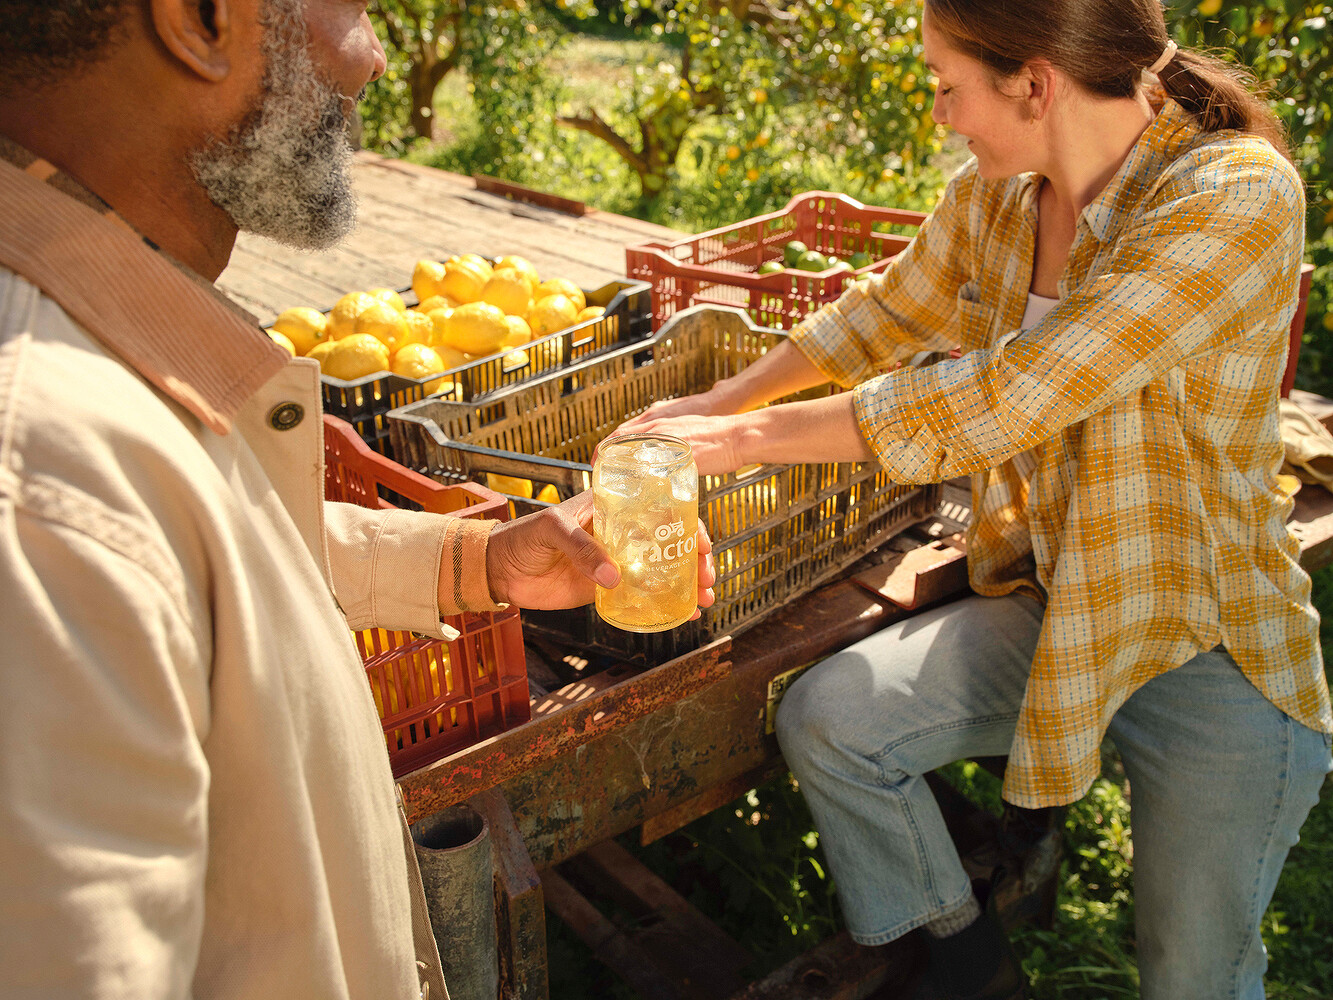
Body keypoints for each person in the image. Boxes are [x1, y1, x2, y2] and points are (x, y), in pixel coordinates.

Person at [614, 1, 1333, 997]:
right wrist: (718, 400)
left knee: (1193, 978)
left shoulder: (1233, 194)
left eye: (947, 84)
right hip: (1059, 604)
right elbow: (881, 313)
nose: (939, 111)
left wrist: (739, 442)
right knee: (831, 719)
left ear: (1034, 83)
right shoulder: (998, 200)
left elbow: (1013, 395)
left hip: (1204, 634)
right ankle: (962, 958)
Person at [0, 2, 713, 998]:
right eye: (355, 5)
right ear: (199, 20)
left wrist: (476, 561)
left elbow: (208, 559)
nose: (376, 56)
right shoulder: (45, 490)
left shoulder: (92, 404)